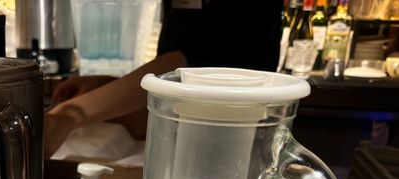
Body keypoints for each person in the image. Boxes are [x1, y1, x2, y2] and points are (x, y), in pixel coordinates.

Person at [44, 0, 282, 157]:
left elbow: (187, 69)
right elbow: (163, 97)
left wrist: (67, 118)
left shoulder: (240, 13)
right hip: (176, 150)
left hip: (232, 158)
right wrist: (105, 87)